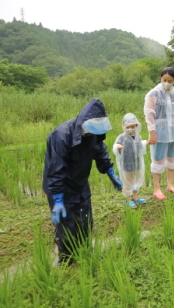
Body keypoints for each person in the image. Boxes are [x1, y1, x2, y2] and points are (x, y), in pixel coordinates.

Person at [43, 98, 123, 264]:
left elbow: (101, 153)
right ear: (84, 123)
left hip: (80, 184)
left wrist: (111, 173)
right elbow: (55, 170)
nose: (93, 134)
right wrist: (57, 199)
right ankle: (67, 261)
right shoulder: (61, 136)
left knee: (85, 221)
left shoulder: (94, 135)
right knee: (66, 227)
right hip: (61, 188)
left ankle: (85, 254)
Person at [144, 67, 174, 200]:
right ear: (161, 78)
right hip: (159, 131)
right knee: (157, 159)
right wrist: (152, 132)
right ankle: (156, 188)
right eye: (165, 80)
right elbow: (149, 114)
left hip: (173, 130)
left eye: (170, 80)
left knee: (172, 158)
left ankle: (170, 185)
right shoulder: (153, 93)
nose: (167, 82)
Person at [113, 113, 148, 208]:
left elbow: (140, 147)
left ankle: (135, 198)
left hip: (137, 165)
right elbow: (115, 147)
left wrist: (145, 143)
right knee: (128, 182)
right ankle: (128, 200)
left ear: (136, 126)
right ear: (124, 127)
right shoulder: (122, 137)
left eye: (132, 126)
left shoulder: (138, 137)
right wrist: (118, 148)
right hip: (127, 165)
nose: (130, 129)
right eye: (128, 127)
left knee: (136, 182)